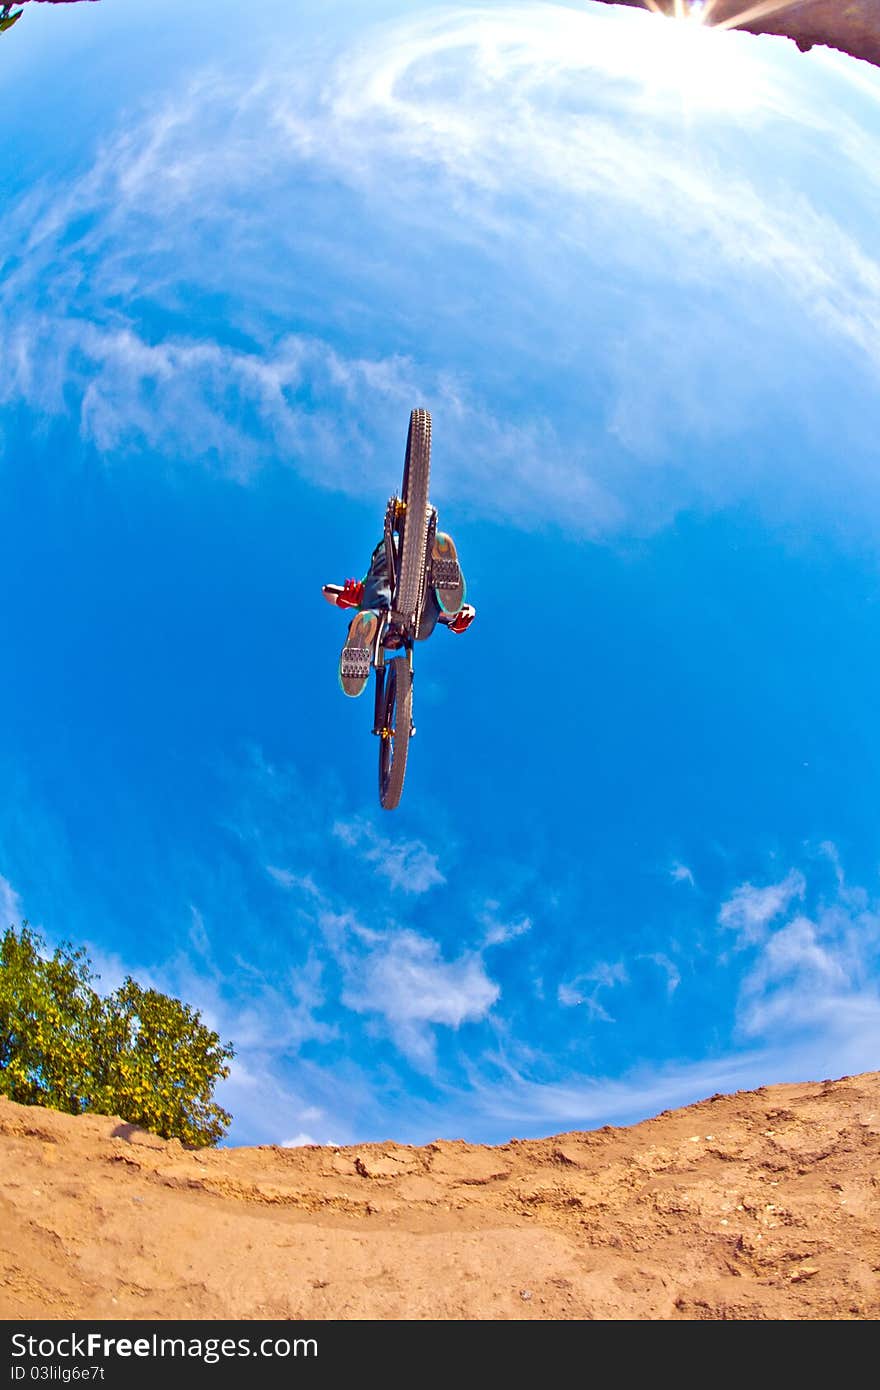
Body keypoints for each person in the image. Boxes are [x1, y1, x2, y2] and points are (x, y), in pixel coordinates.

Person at [323, 529, 475, 696]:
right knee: (422, 630)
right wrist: (463, 614)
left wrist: (344, 599)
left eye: (389, 644)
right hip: (425, 578)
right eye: (396, 645)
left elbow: (328, 590)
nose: (393, 641)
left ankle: (363, 634)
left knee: (377, 606)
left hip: (390, 556)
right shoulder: (416, 623)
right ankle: (442, 564)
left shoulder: (367, 598)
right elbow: (462, 610)